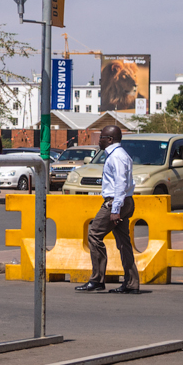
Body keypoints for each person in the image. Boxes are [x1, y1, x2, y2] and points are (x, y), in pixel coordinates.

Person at [76, 125, 140, 294]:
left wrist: (115, 209)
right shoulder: (119, 155)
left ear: (110, 140)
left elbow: (120, 184)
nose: (99, 140)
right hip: (124, 202)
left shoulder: (116, 157)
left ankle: (97, 280)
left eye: (102, 137)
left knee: (94, 234)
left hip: (116, 202)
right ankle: (132, 283)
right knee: (123, 242)